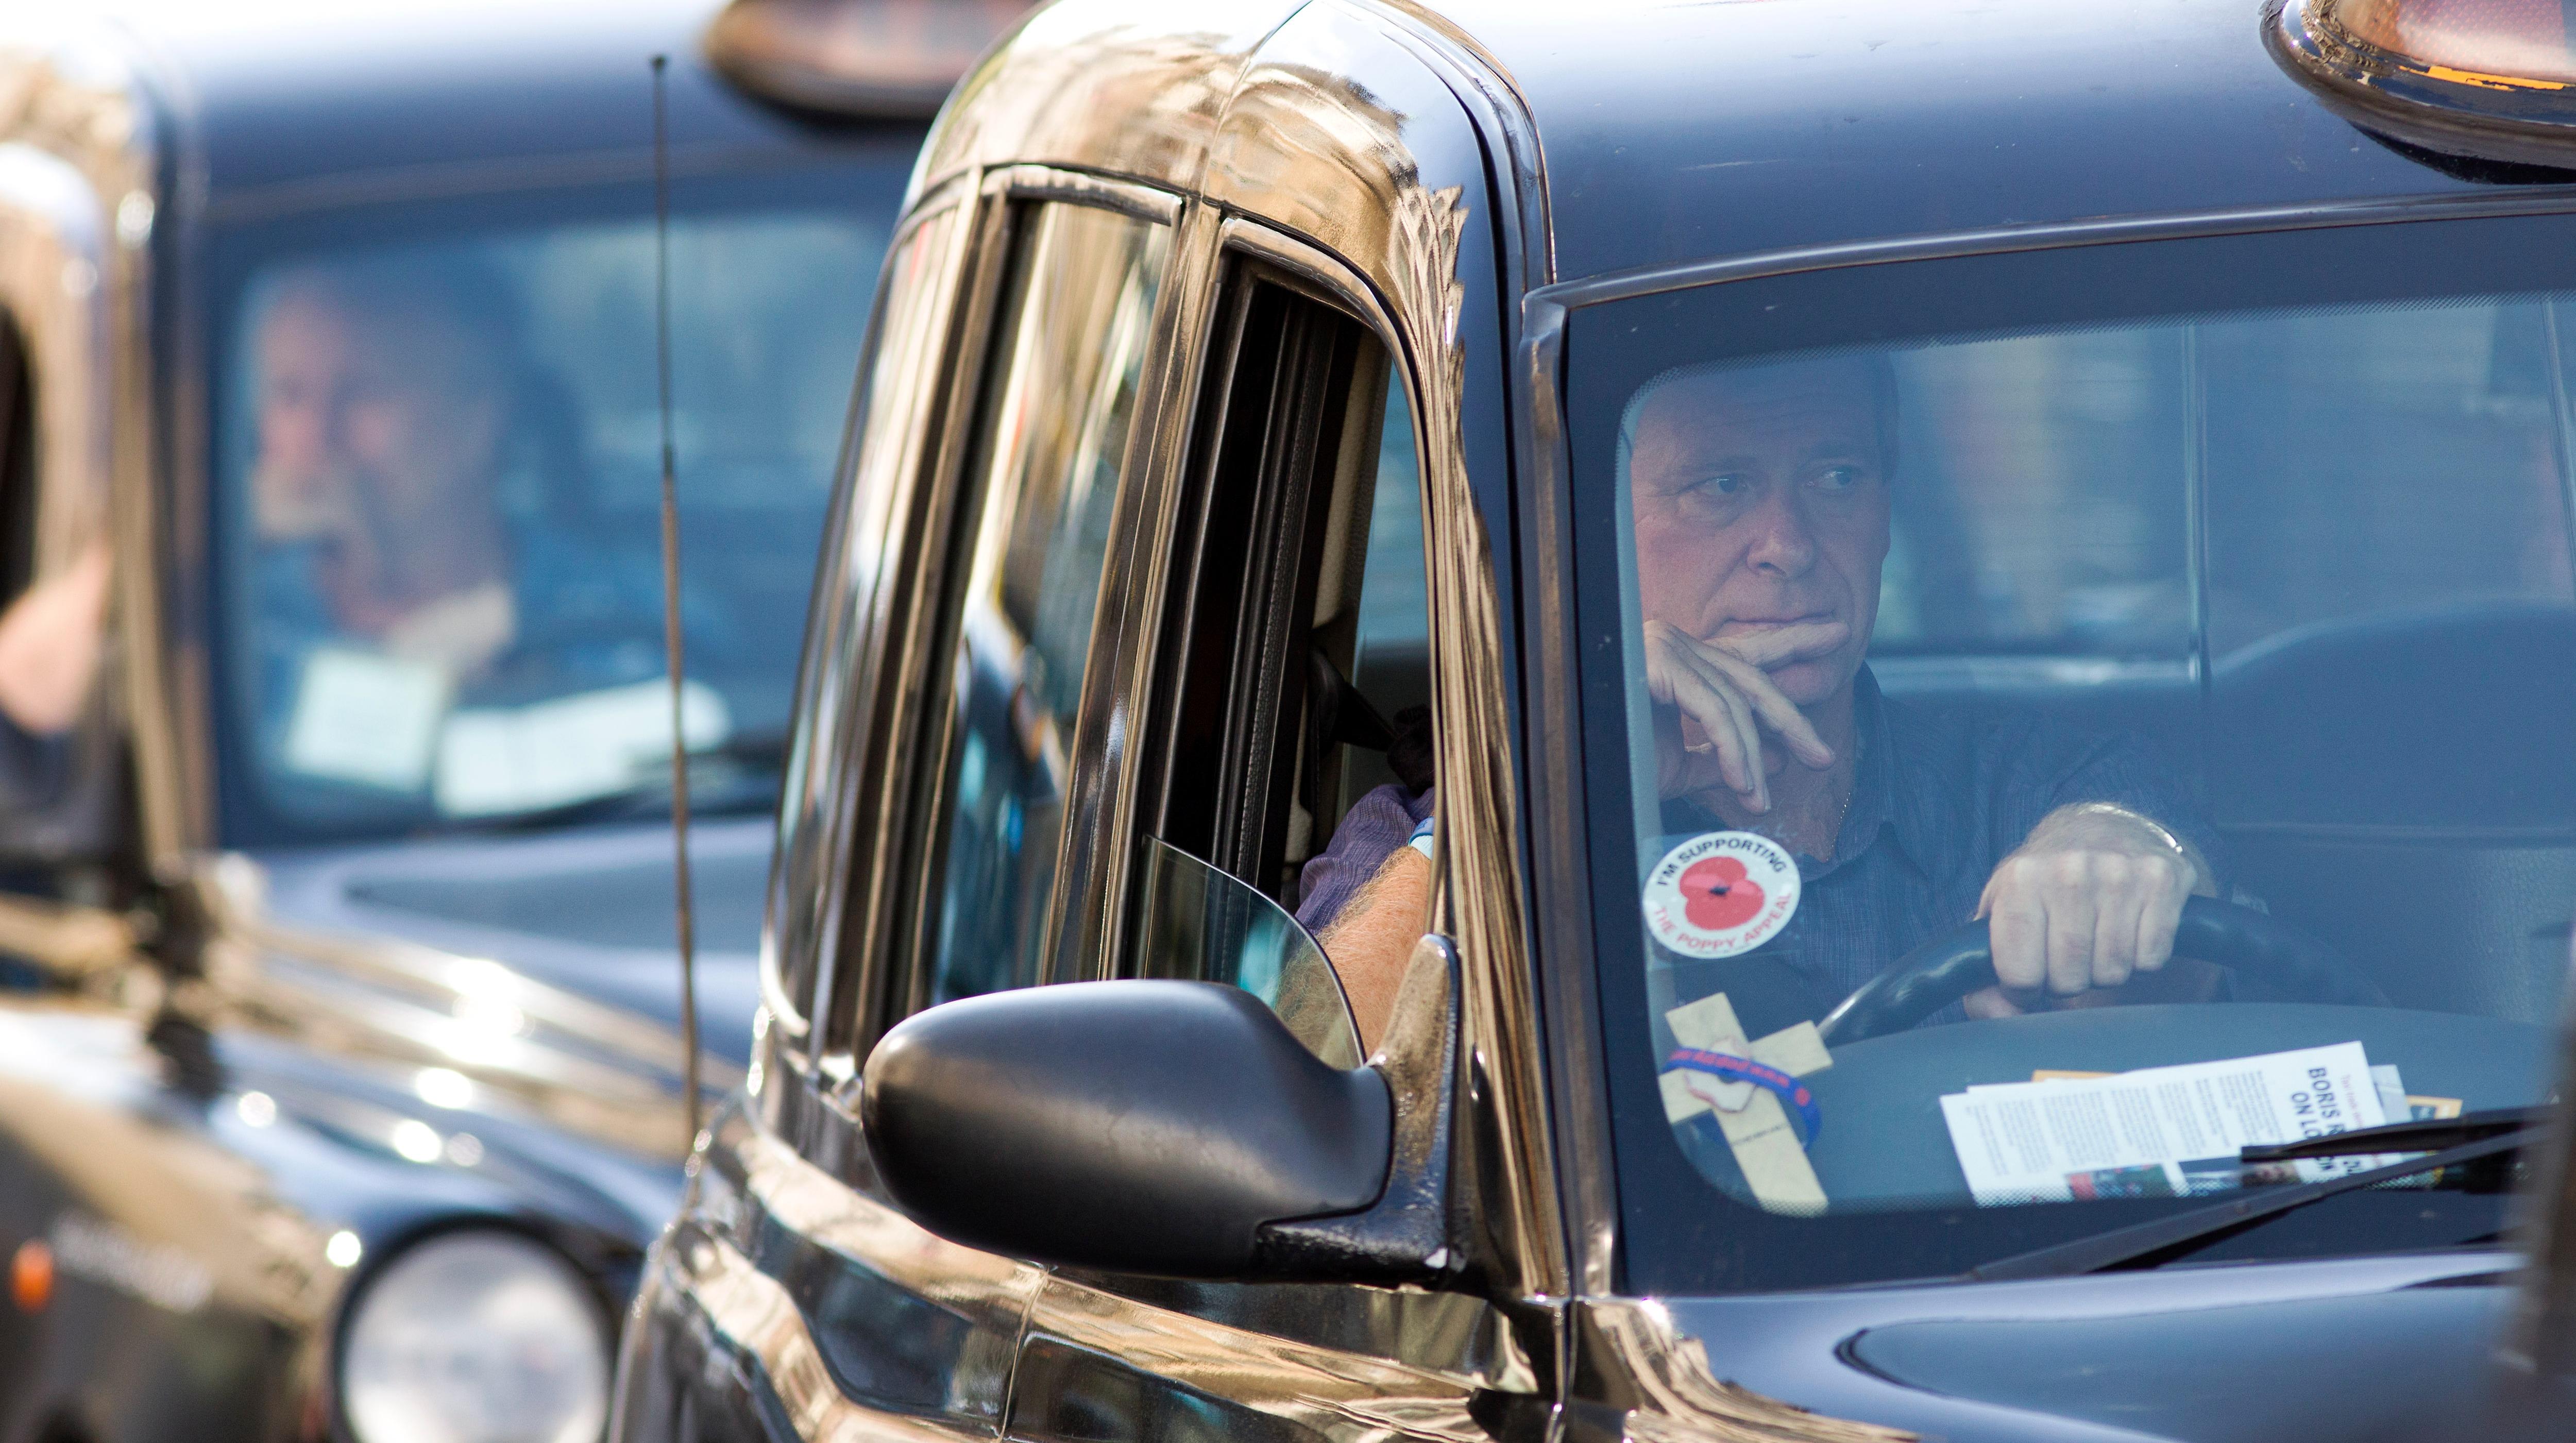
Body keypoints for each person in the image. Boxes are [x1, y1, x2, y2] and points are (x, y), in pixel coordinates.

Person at [1310, 353, 2221, 1046]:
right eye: (1722, 486)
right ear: (1597, 531)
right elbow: (1314, 1079)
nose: (1786, 543)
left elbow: (2166, 908)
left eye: (1837, 477)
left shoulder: (2029, 783)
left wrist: (2115, 861)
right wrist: (1563, 771)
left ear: (1886, 516)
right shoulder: (1442, 832)